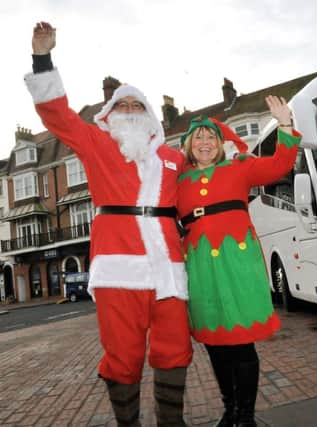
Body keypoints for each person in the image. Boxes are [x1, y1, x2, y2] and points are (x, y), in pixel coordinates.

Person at [27, 22, 192, 426]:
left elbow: (203, 191)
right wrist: (42, 58)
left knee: (174, 347)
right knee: (123, 354)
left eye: (138, 107)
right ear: (109, 115)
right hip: (118, 268)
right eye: (123, 106)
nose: (131, 112)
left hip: (169, 268)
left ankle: (172, 422)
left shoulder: (173, 159)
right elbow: (57, 114)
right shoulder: (96, 144)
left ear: (151, 117)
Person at [176, 99, 301, 427]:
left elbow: (280, 165)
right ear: (189, 145)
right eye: (198, 138)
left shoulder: (239, 167)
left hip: (238, 261)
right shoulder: (178, 180)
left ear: (220, 144)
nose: (205, 143)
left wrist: (285, 124)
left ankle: (245, 416)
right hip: (200, 266)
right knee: (215, 344)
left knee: (241, 342)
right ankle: (229, 409)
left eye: (211, 138)